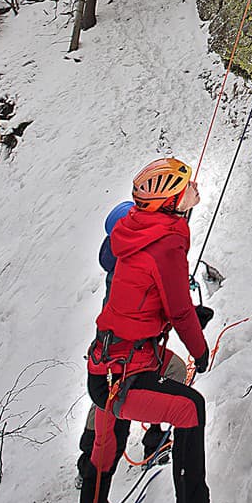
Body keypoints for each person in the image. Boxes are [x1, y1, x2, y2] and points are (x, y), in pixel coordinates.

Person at [65, 159, 250, 503]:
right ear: (171, 200)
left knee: (104, 448)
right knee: (188, 408)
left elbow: (150, 298)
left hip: (111, 362)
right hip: (128, 369)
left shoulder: (140, 228)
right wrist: (199, 351)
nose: (195, 187)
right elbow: (180, 309)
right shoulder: (165, 240)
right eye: (187, 185)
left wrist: (173, 318)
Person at [77, 199, 202, 481]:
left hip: (115, 356)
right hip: (128, 356)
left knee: (106, 403)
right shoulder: (133, 264)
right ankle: (154, 440)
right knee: (171, 376)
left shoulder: (122, 259)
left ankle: (90, 457)